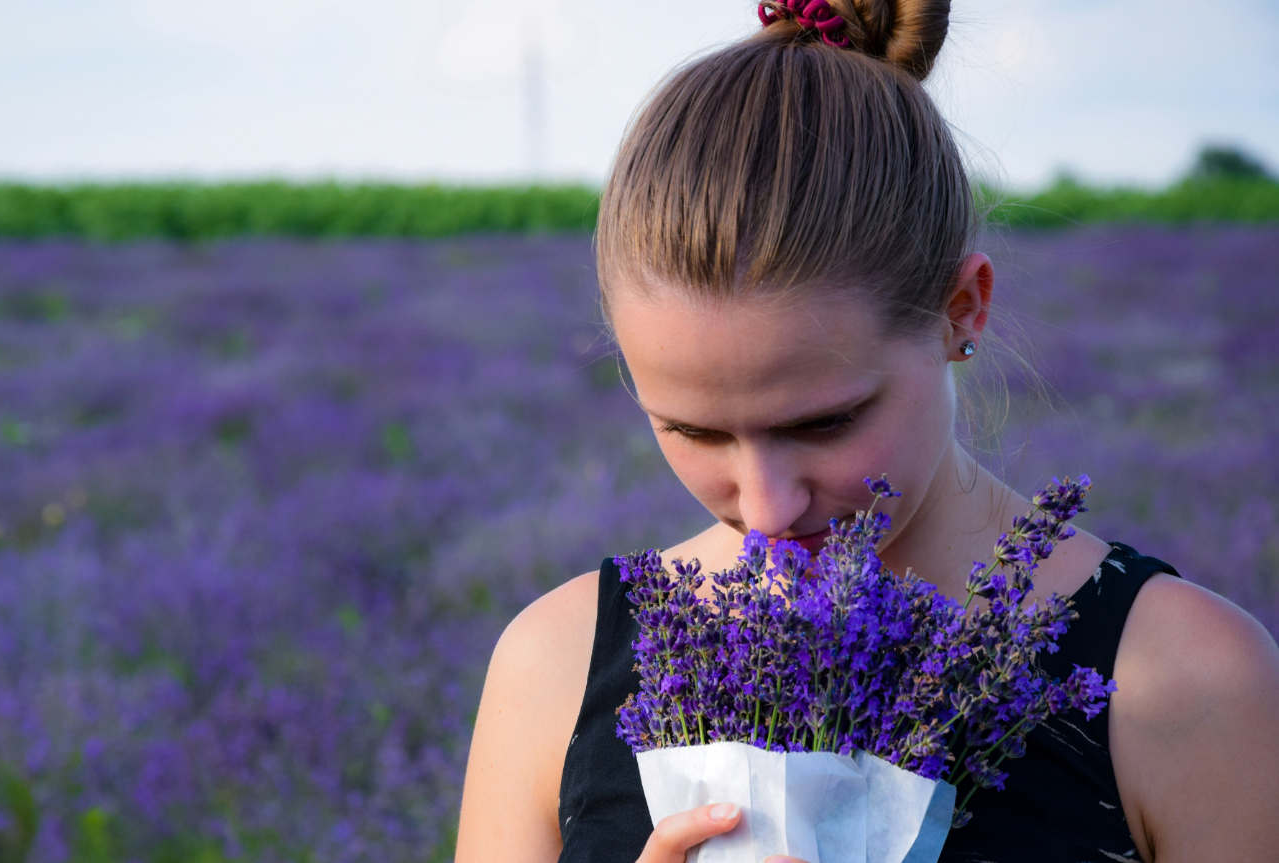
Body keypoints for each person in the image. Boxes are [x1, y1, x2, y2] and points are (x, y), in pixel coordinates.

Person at [453, 1, 1279, 861]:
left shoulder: (1188, 683)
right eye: (693, 430)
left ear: (963, 310)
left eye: (824, 422)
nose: (769, 509)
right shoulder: (552, 669)